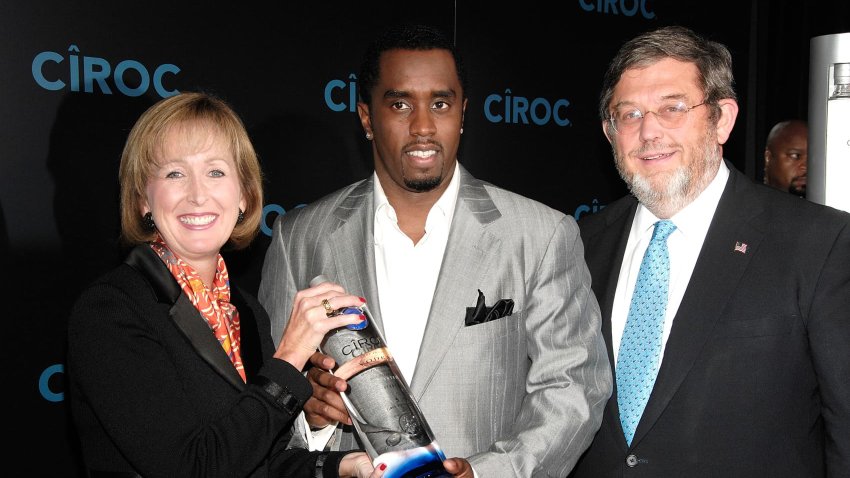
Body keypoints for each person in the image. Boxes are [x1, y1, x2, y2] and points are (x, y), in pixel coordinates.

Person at [258, 24, 611, 477]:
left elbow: (574, 388)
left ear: (462, 113)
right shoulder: (298, 239)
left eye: (441, 104)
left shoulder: (541, 235)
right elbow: (264, 408)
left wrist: (489, 473)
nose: (423, 127)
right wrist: (310, 416)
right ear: (366, 117)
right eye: (400, 104)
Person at [569, 26, 850, 477]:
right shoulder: (579, 244)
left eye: (673, 108)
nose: (649, 131)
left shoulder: (819, 243)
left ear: (722, 119)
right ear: (609, 132)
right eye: (629, 114)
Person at [67, 92, 383, 478]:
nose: (198, 194)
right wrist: (290, 357)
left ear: (245, 197)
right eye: (174, 173)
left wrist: (342, 467)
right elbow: (194, 467)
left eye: (216, 172)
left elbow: (263, 462)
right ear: (142, 200)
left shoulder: (245, 312)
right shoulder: (112, 309)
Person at [764, 119, 808, 197]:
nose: (805, 167)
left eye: (811, 159)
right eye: (795, 156)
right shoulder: (744, 203)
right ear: (768, 157)